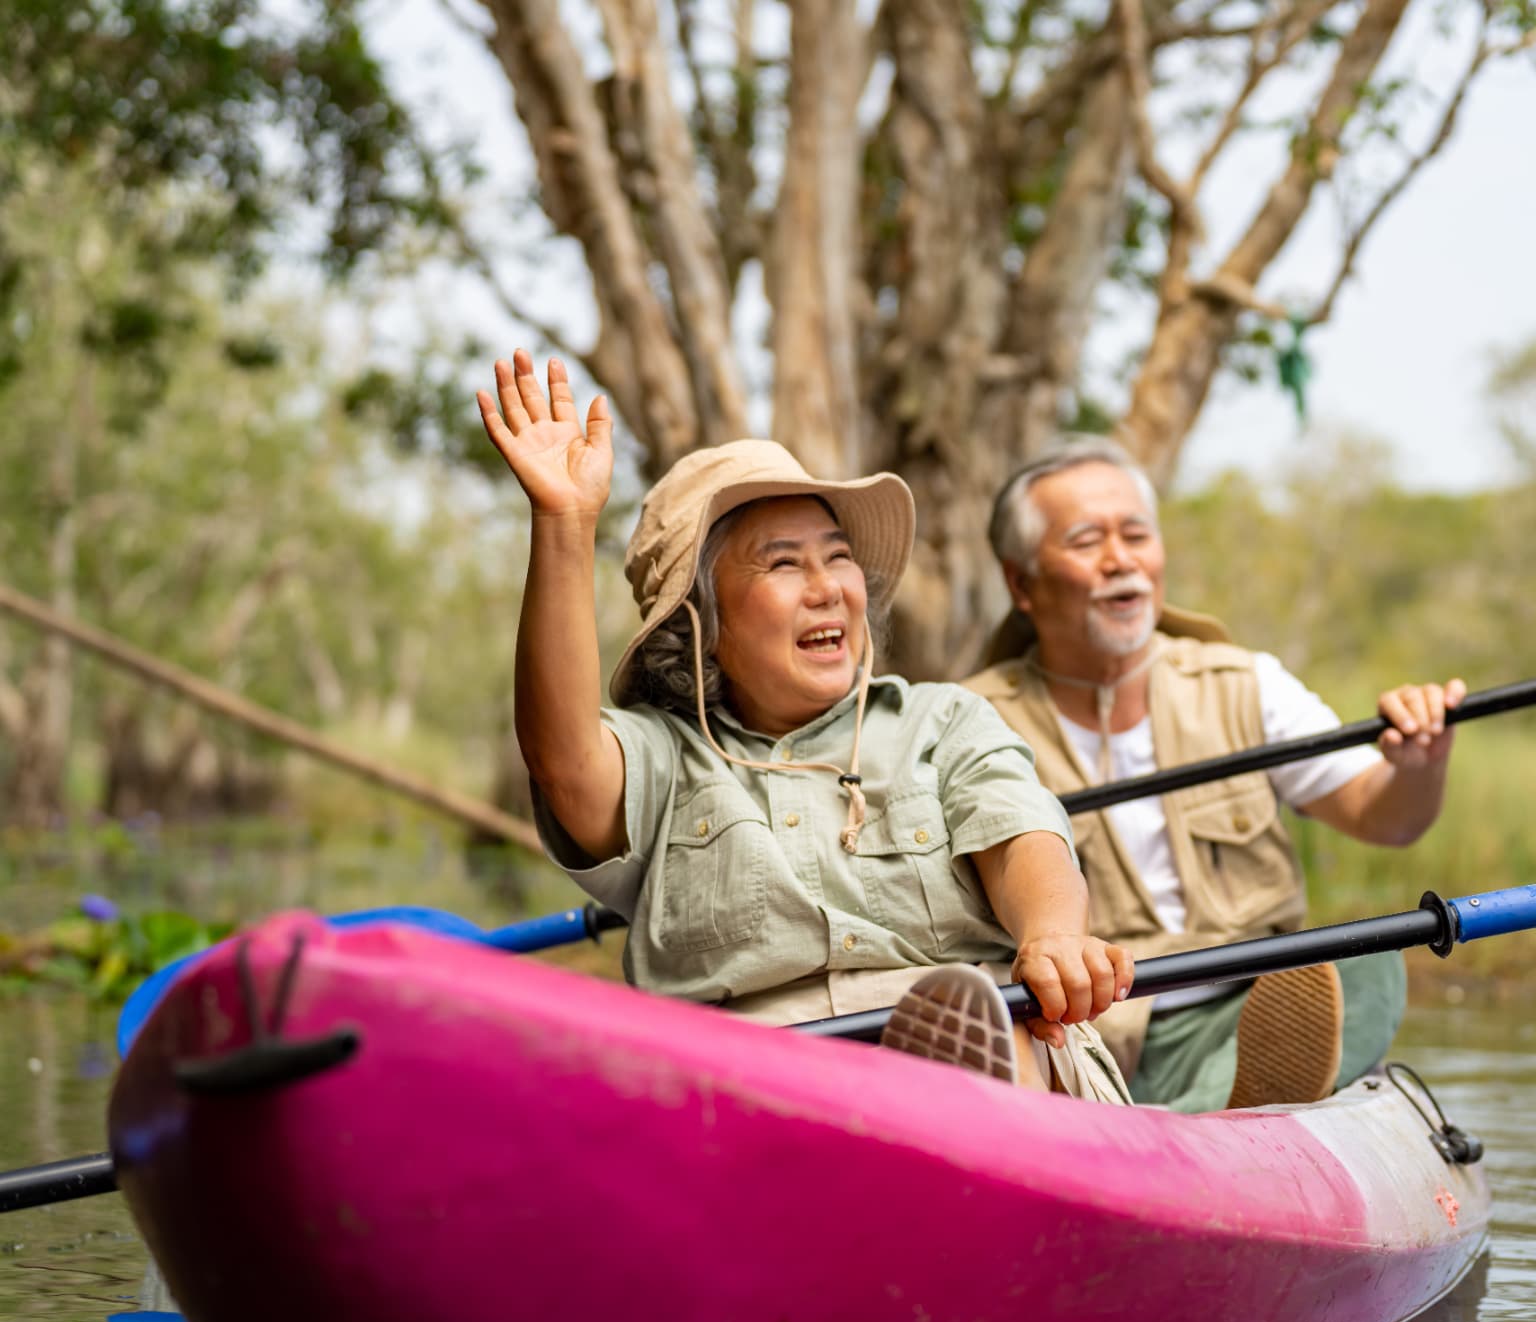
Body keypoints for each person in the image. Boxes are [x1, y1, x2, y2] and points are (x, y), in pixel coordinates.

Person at [476, 350, 1133, 1099]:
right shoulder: (664, 757)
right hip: (754, 1091)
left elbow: (1026, 845)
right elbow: (563, 761)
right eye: (783, 564)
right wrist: (563, 522)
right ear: (701, 622)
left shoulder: (940, 721)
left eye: (839, 557)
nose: (828, 589)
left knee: (993, 1029)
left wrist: (1052, 935)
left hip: (974, 1043)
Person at [963, 437, 1464, 1111]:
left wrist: (1421, 762)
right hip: (1081, 1032)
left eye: (1136, 534)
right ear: (1021, 583)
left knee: (1373, 960)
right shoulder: (968, 721)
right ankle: (1193, 1124)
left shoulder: (1245, 683)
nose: (1122, 560)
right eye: (1087, 541)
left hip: (1251, 1008)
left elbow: (1388, 815)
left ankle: (1195, 1120)